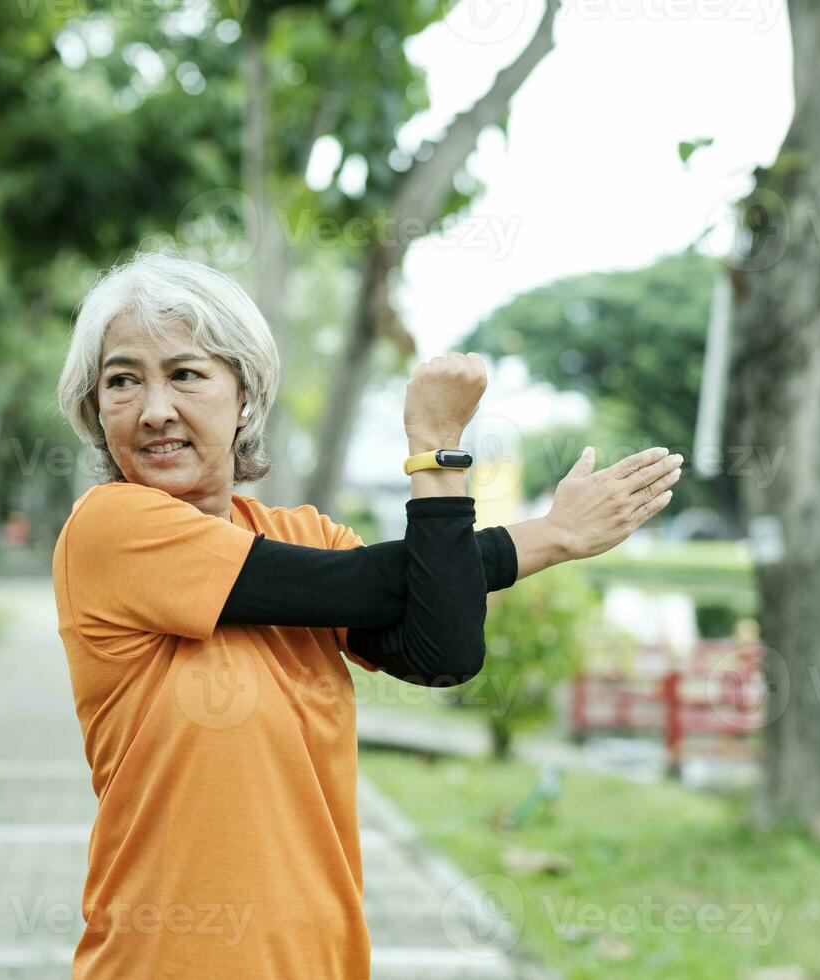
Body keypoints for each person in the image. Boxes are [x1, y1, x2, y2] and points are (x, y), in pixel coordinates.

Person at [52, 250, 681, 978]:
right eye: (123, 380)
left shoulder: (303, 534)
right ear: (96, 409)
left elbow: (442, 646)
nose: (155, 408)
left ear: (245, 396)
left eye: (185, 374)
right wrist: (545, 532)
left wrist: (439, 461)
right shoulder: (111, 529)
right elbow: (358, 583)